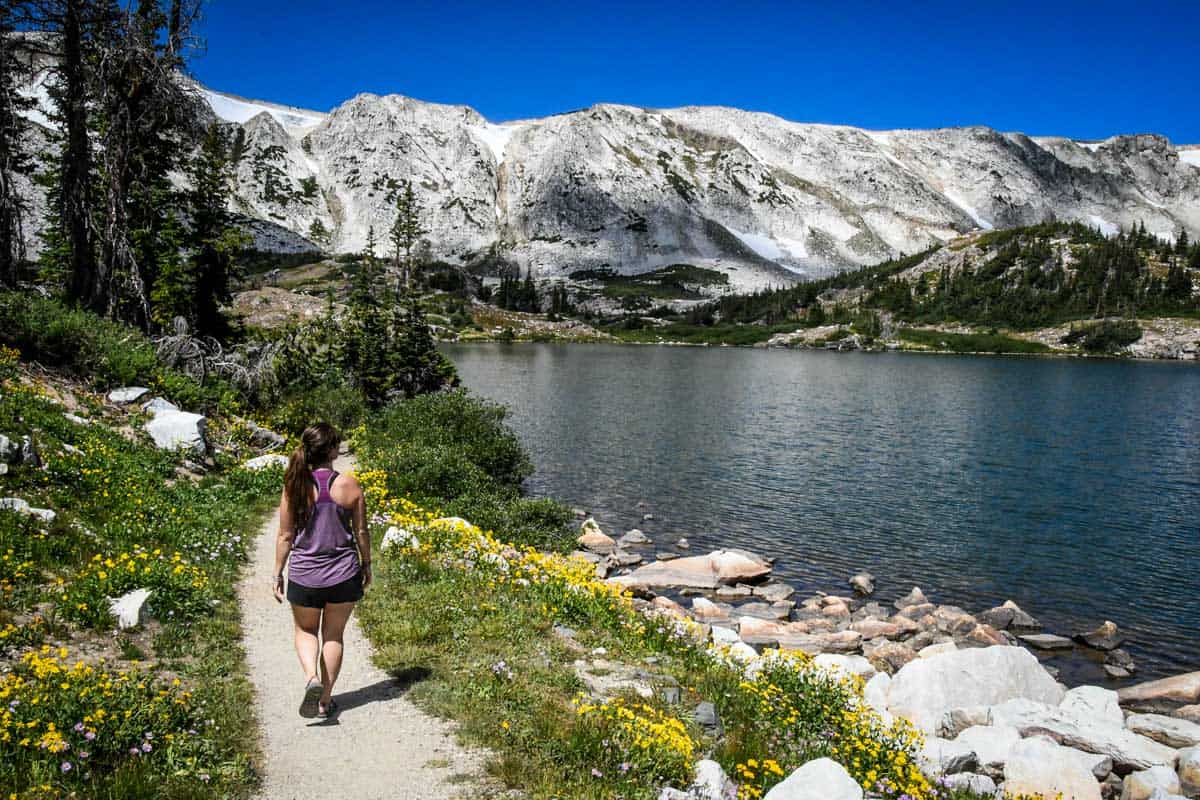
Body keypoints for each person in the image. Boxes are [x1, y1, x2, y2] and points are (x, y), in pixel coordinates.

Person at [272, 423, 372, 718]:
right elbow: (362, 531)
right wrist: (367, 564)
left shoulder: (295, 486)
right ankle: (325, 701)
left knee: (305, 630)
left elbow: (285, 536)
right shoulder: (350, 485)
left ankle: (311, 678)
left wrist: (277, 573)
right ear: (331, 450)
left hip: (305, 575)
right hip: (343, 573)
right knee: (333, 636)